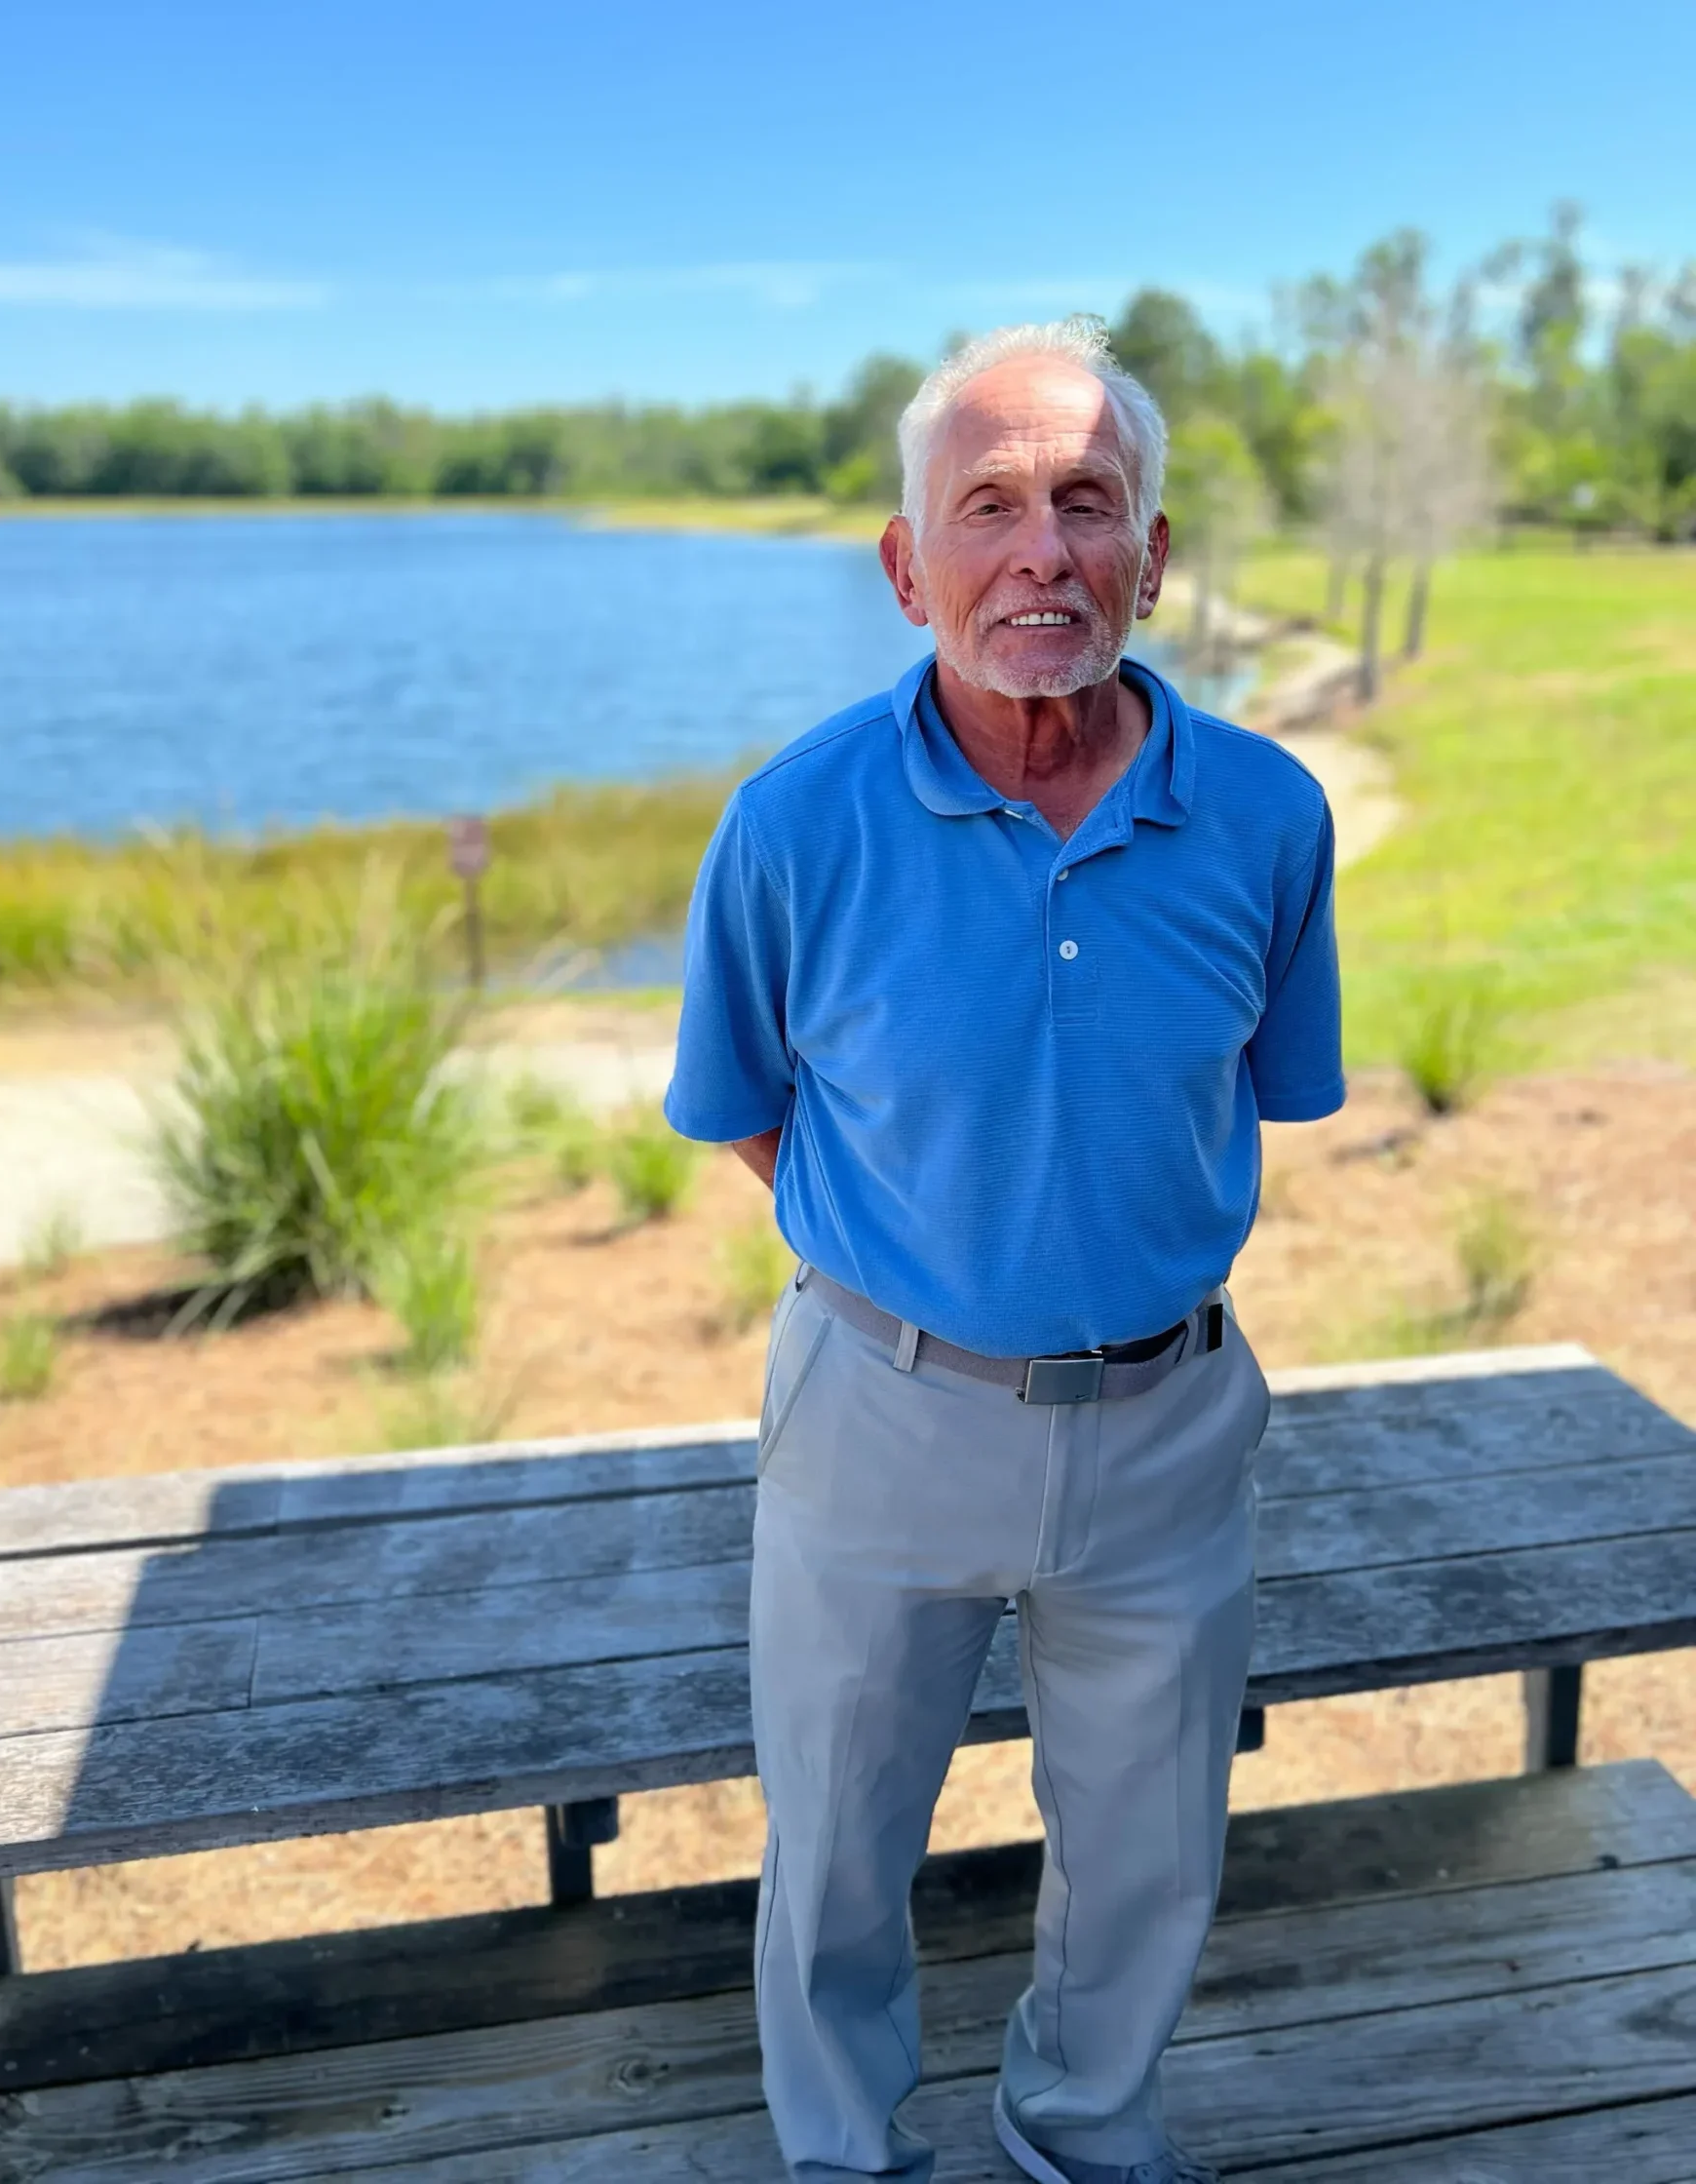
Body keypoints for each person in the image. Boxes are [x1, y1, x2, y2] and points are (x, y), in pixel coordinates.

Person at [663, 317, 1344, 2184]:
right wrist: (922, 1266)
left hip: (1169, 1429)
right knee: (834, 1851)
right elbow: (741, 1100)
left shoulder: (1272, 818)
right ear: (907, 569)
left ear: (1154, 553)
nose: (1040, 550)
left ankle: (1084, 2142)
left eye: (1085, 501)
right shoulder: (793, 823)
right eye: (986, 507)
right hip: (880, 1418)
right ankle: (844, 2162)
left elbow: (1264, 1095)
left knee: (1148, 1851)